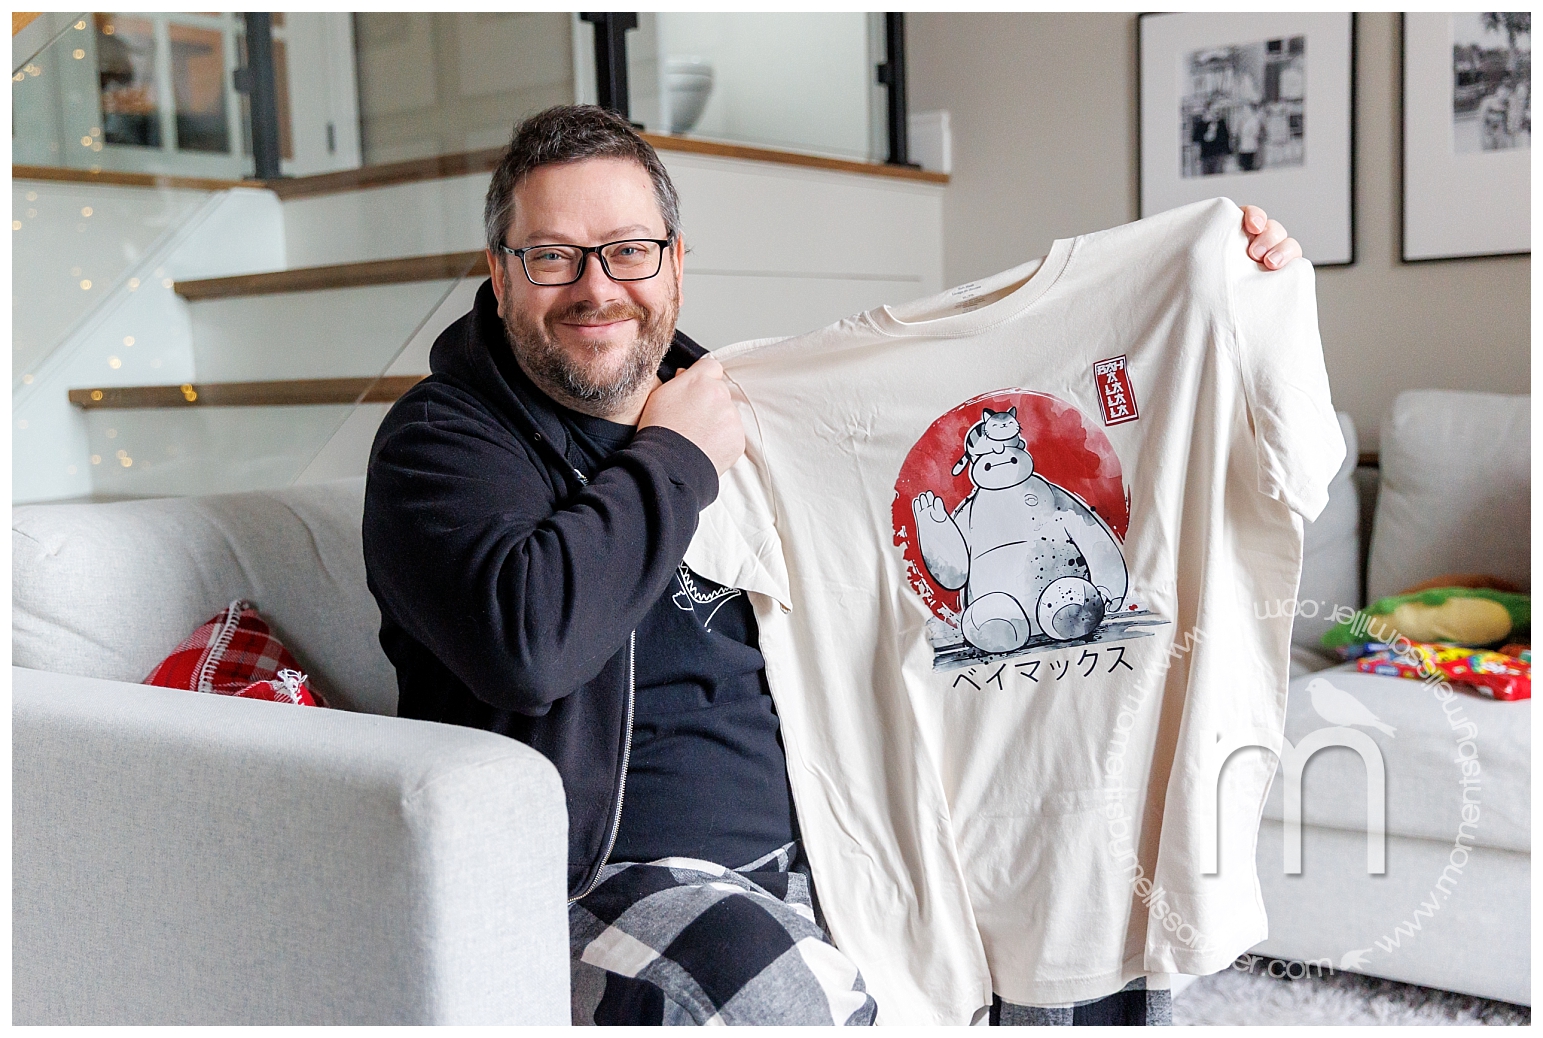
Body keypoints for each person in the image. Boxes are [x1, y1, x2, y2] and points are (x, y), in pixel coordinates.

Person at [361, 104, 1302, 1027]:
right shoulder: (440, 442)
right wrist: (675, 458)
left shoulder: (757, 411)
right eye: (552, 255)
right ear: (499, 274)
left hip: (850, 842)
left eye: (628, 251)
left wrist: (1243, 291)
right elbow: (528, 647)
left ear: (676, 263)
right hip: (611, 877)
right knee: (776, 994)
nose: (595, 287)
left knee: (1075, 897)